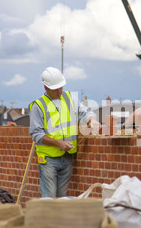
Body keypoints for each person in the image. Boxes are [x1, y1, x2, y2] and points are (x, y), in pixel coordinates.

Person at [29, 67, 100, 198]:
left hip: (67, 157)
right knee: (50, 198)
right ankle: (48, 219)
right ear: (46, 88)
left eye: (60, 87)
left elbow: (84, 112)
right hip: (48, 159)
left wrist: (92, 119)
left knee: (62, 198)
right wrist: (58, 143)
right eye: (55, 89)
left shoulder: (69, 98)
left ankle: (58, 219)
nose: (59, 91)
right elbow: (36, 134)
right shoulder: (38, 106)